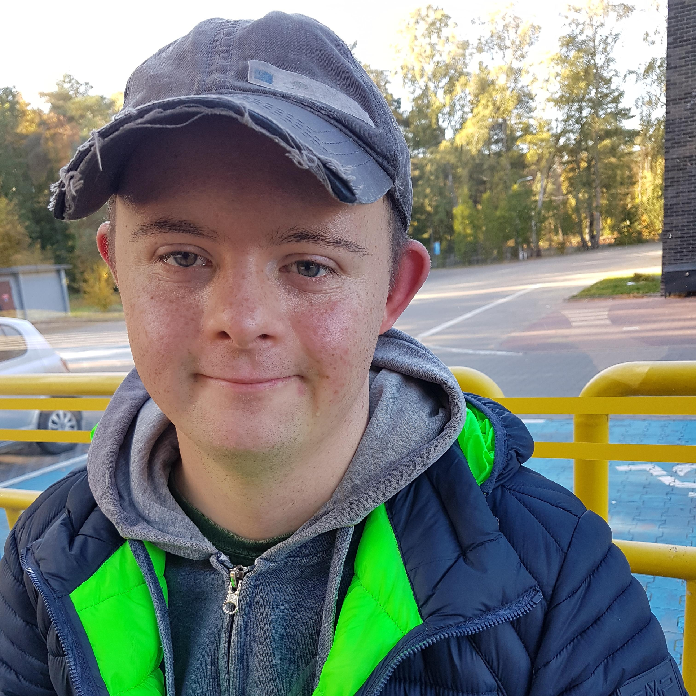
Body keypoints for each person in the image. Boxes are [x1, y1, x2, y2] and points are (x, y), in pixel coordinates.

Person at [0, 12, 687, 696]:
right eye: (181, 257)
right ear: (117, 268)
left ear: (392, 290)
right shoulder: (43, 558)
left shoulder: (556, 576)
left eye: (310, 265)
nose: (241, 321)